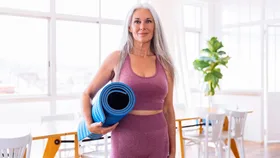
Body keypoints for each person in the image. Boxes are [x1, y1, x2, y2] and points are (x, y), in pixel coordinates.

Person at [82, 3, 176, 158]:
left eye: (148, 21)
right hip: (125, 141)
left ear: (155, 27)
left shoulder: (165, 64)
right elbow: (87, 94)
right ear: (129, 27)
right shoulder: (117, 59)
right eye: (137, 21)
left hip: (159, 141)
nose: (142, 26)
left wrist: (173, 151)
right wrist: (88, 123)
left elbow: (168, 109)